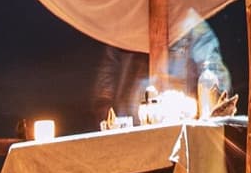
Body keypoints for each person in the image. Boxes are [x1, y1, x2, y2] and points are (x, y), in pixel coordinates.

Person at [91, 16, 234, 116]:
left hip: (178, 132)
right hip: (129, 134)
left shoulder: (194, 28)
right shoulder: (124, 28)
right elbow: (106, 84)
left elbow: (216, 81)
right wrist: (107, 117)